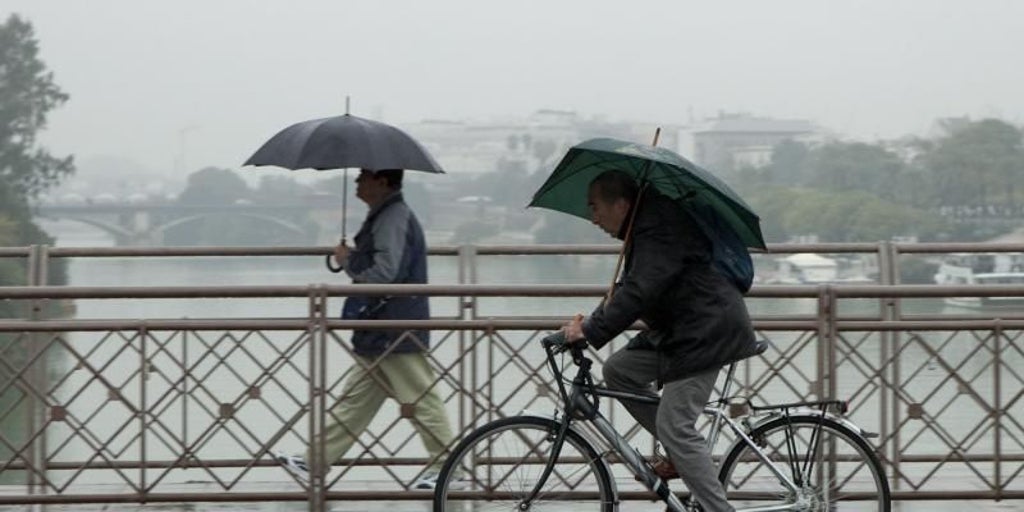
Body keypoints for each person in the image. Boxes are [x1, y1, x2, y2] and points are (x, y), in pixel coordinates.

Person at [560, 170, 757, 512]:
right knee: (620, 370)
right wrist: (590, 322)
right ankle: (680, 455)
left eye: (595, 208)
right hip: (682, 331)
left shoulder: (660, 228)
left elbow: (640, 290)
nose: (593, 218)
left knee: (676, 426)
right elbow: (628, 288)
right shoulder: (645, 228)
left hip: (706, 332)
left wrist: (591, 332)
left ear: (621, 204)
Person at [276, 168, 455, 490]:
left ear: (382, 182)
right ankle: (313, 461)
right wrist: (353, 258)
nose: (357, 182)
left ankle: (449, 471)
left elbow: (386, 273)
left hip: (394, 324)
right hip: (380, 325)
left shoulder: (393, 216)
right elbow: (383, 265)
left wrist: (348, 261)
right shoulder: (385, 215)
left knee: (422, 397)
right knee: (354, 401)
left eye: (363, 177)